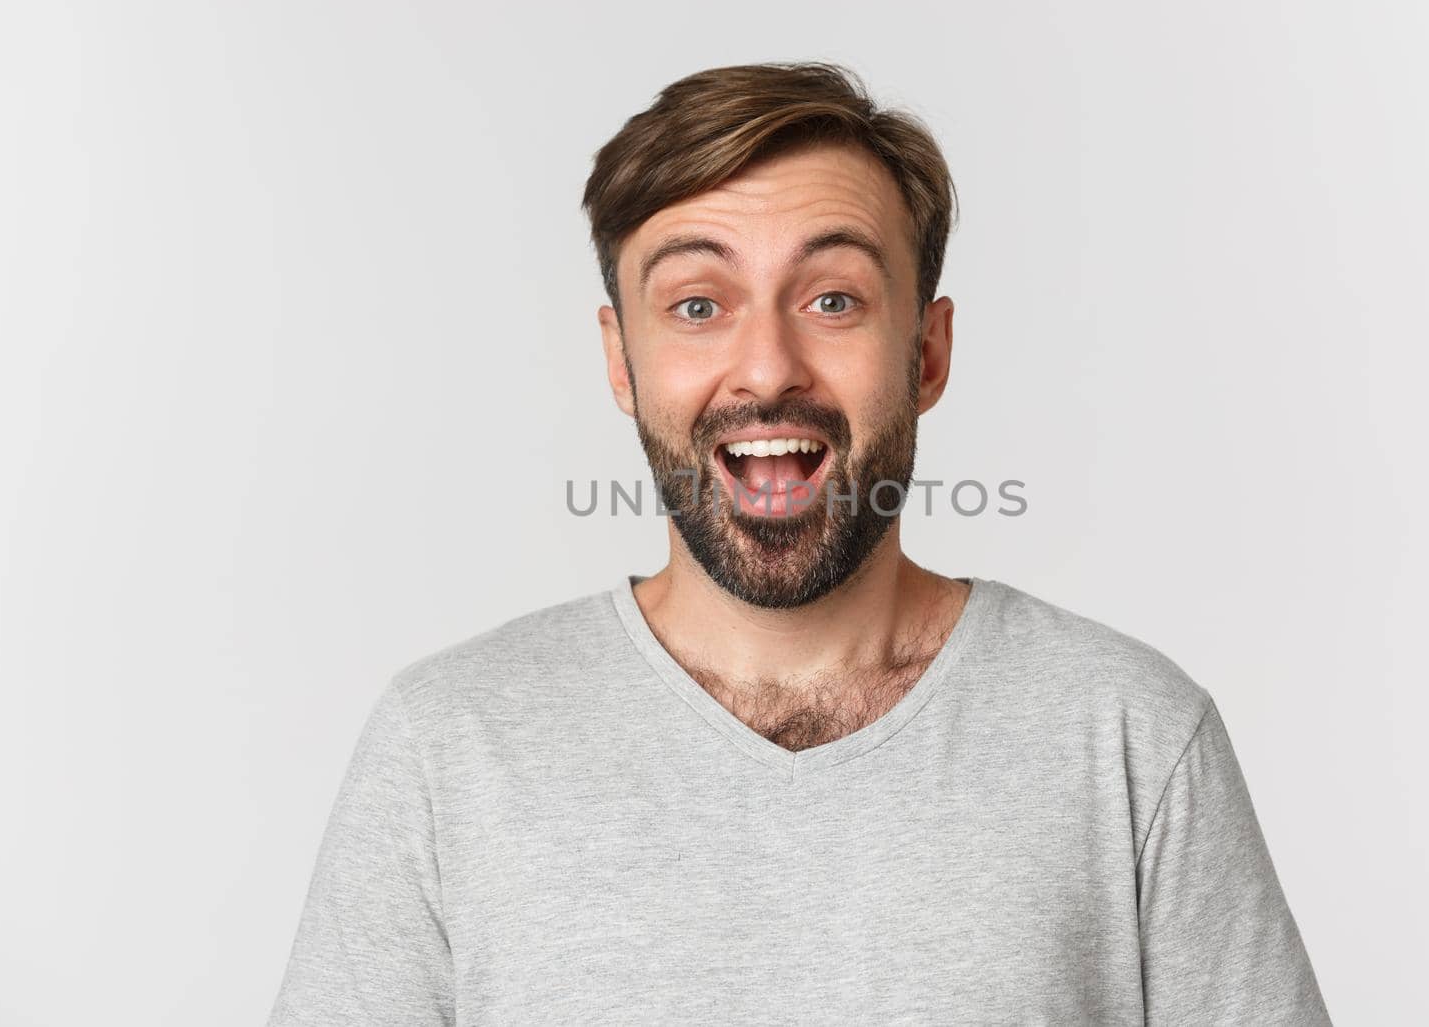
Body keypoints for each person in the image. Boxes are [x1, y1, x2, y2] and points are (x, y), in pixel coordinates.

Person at [266, 61, 1332, 1025]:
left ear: (926, 351)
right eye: (696, 303)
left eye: (832, 298)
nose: (766, 366)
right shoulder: (447, 746)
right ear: (621, 362)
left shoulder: (1131, 737)